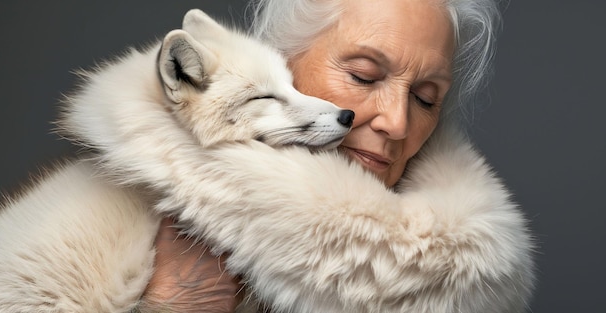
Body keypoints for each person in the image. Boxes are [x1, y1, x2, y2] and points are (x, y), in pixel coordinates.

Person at [141, 0, 534, 312]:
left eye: (424, 98)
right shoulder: (123, 213)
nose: (397, 122)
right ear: (280, 61)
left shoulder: (472, 285)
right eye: (363, 75)